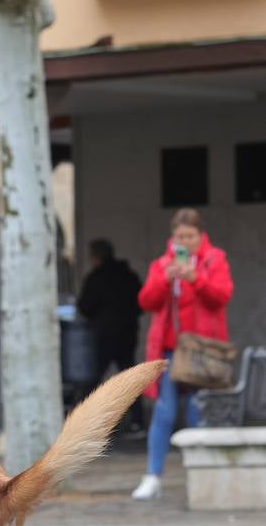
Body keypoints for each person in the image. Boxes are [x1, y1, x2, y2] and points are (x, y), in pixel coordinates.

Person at [132, 209, 233, 500]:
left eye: (190, 236)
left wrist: (196, 279)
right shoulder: (162, 264)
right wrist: (165, 279)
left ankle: (199, 475)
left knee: (196, 412)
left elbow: (222, 296)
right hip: (169, 351)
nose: (185, 242)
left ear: (201, 236)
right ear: (172, 236)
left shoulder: (215, 259)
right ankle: (153, 476)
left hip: (202, 352)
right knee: (164, 411)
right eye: (180, 236)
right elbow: (146, 301)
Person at [77, 238, 144, 433]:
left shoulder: (95, 278)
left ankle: (83, 425)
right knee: (131, 379)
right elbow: (140, 303)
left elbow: (85, 306)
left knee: (92, 382)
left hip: (102, 336)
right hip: (127, 334)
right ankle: (137, 422)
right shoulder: (129, 275)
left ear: (96, 257)